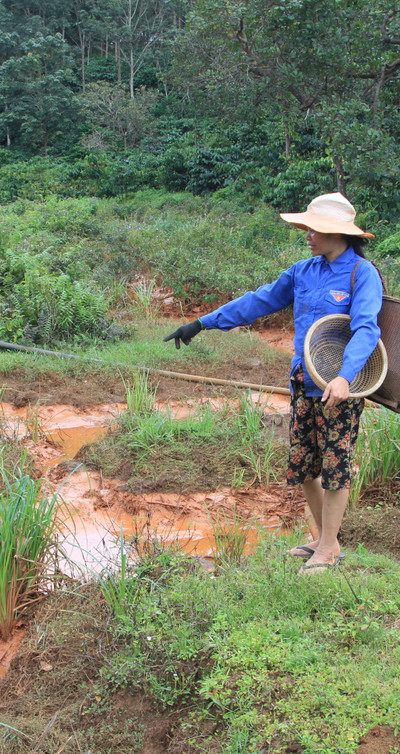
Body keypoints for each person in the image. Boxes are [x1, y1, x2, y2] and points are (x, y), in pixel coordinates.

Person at [163, 192, 383, 575]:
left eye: (313, 229)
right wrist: (201, 323)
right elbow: (258, 301)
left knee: (336, 466)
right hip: (302, 382)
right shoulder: (303, 271)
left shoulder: (361, 274)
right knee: (304, 465)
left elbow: (366, 328)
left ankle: (328, 549)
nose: (307, 235)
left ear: (337, 232)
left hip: (339, 388)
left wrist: (344, 377)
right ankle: (324, 539)